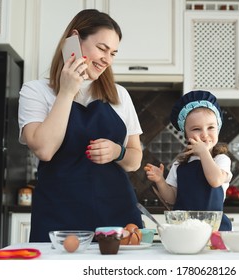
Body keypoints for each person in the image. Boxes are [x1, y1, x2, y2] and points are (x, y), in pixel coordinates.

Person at [18, 9, 143, 242]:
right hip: (59, 219)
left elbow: (135, 160)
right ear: (75, 39)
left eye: (113, 53)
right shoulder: (35, 91)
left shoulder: (120, 95)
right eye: (102, 49)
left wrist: (118, 151)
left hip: (117, 217)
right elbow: (44, 150)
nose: (108, 59)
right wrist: (66, 91)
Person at [144, 90, 233, 231]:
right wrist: (160, 180)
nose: (204, 134)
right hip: (185, 229)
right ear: (186, 135)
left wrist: (203, 152)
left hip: (215, 229)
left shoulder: (221, 160)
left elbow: (215, 180)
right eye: (196, 129)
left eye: (211, 127)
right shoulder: (180, 164)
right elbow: (172, 198)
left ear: (218, 128)